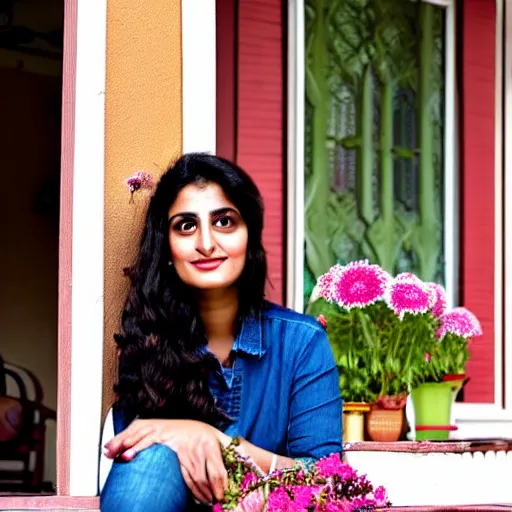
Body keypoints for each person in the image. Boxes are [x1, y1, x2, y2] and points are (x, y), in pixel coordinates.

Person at [100, 153, 342, 512]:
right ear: (166, 247)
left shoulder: (301, 343)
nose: (207, 243)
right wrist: (180, 438)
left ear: (250, 236)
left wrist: (212, 439)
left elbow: (328, 480)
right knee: (151, 458)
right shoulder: (147, 339)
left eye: (225, 222)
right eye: (186, 226)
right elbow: (142, 452)